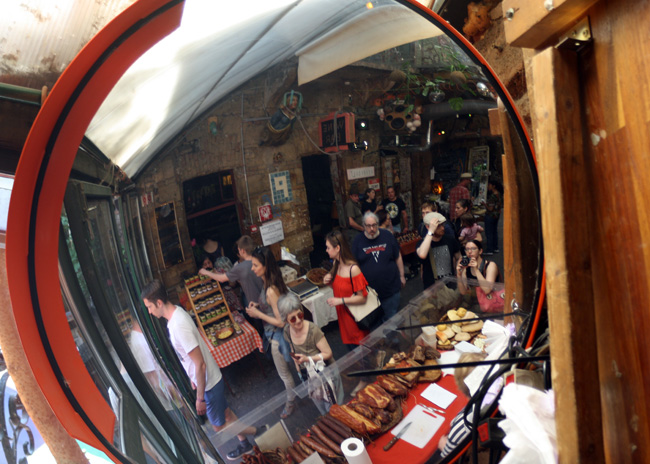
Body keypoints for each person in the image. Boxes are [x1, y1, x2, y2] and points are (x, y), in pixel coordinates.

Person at [141, 280, 257, 460]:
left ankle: (256, 430)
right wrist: (192, 379)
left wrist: (200, 397)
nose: (149, 311)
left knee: (218, 426)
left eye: (149, 306)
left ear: (159, 303)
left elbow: (200, 364)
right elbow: (191, 358)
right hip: (210, 380)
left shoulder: (178, 325)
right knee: (225, 413)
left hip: (209, 384)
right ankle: (245, 444)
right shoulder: (177, 315)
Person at [244, 246, 297, 419]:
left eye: (255, 265)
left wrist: (258, 314)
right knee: (291, 368)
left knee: (284, 373)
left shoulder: (271, 290)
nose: (252, 268)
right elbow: (274, 307)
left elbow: (281, 321)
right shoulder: (270, 282)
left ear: (265, 266)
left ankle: (291, 401)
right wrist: (260, 305)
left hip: (277, 337)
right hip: (276, 335)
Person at [278, 293, 343, 414]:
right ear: (286, 320)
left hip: (326, 374)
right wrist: (299, 370)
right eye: (292, 318)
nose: (298, 320)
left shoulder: (313, 330)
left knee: (336, 411)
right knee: (323, 409)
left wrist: (307, 359)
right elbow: (293, 349)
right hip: (309, 376)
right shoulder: (287, 331)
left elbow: (328, 353)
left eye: (300, 315)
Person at [438, 352, 502, 458]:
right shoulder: (498, 400)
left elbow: (449, 457)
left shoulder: (462, 427)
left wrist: (444, 447)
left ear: (459, 384)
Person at [199, 235, 265, 335]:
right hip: (267, 302)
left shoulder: (240, 267)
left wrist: (206, 272)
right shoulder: (261, 260)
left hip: (256, 307)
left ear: (242, 251)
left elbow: (221, 279)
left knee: (265, 334)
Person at [351, 212, 406, 322]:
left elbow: (397, 256)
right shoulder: (357, 241)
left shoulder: (387, 235)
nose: (372, 229)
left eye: (374, 225)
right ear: (363, 226)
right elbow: (353, 265)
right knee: (375, 326)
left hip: (391, 289)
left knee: (393, 321)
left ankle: (394, 339)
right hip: (370, 294)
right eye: (368, 226)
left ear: (377, 224)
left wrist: (402, 275)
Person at [322, 230, 369, 348]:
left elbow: (362, 298)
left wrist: (340, 300)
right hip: (344, 323)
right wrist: (328, 283)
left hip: (356, 323)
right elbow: (339, 289)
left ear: (337, 248)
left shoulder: (353, 269)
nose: (326, 250)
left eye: (328, 248)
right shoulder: (336, 265)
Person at [416, 212, 461, 289]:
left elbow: (459, 257)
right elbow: (422, 254)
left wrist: (458, 273)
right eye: (438, 226)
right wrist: (431, 231)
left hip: (450, 284)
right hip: (432, 286)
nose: (442, 228)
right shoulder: (422, 243)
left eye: (443, 225)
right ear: (428, 227)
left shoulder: (450, 239)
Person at [483, 179, 503, 255]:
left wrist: (485, 204)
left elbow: (490, 209)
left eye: (489, 185)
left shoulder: (492, 196)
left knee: (489, 233)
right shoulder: (499, 194)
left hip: (491, 216)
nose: (488, 186)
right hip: (496, 215)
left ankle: (490, 249)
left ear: (493, 186)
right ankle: (495, 247)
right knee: (494, 232)